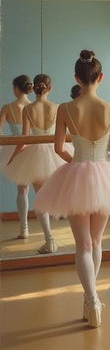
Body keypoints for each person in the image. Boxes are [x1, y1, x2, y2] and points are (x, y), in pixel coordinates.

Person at [34, 50, 110, 326]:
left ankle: (91, 300)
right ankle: (92, 298)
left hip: (77, 173)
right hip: (106, 175)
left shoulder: (66, 109)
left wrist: (77, 163)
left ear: (76, 78)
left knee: (82, 244)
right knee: (95, 242)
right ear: (101, 77)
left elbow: (58, 148)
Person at [5, 74, 67, 253]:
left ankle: (50, 240)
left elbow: (24, 139)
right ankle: (53, 237)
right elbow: (63, 135)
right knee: (51, 195)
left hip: (36, 155)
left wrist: (14, 157)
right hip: (56, 153)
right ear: (50, 88)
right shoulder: (58, 108)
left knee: (41, 199)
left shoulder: (28, 109)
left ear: (36, 89)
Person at [0, 75, 33, 238]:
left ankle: (24, 228)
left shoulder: (8, 107)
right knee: (42, 190)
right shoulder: (34, 106)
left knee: (22, 190)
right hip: (37, 149)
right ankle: (48, 232)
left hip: (17, 150)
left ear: (16, 88)